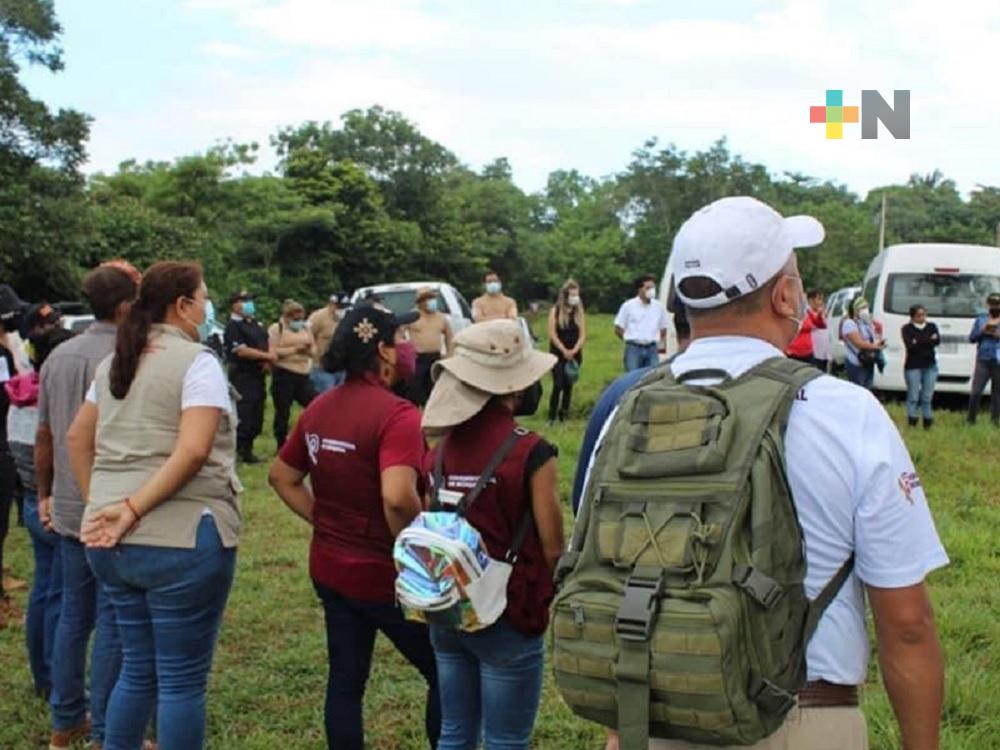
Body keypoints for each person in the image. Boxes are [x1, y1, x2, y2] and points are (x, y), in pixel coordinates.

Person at [575, 196, 947, 750]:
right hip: (802, 720)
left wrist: (617, 728)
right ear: (784, 295)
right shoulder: (845, 411)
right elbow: (908, 622)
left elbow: (606, 572)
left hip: (653, 717)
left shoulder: (627, 409)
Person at [68, 260, 241, 750]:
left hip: (110, 545)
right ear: (183, 305)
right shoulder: (196, 362)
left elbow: (77, 437)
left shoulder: (114, 363)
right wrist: (132, 507)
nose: (208, 307)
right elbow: (194, 449)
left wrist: (99, 503)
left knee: (138, 668)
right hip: (179, 540)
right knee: (182, 680)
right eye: (204, 298)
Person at [268, 304, 441, 750]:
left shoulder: (319, 408)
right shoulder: (398, 415)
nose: (407, 347)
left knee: (346, 680)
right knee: (445, 672)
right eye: (400, 339)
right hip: (384, 573)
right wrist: (416, 547)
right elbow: (397, 495)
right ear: (382, 351)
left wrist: (323, 520)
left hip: (330, 568)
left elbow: (282, 477)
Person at [420, 320, 565, 750]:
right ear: (514, 388)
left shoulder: (440, 447)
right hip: (510, 610)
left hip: (448, 606)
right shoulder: (530, 450)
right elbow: (553, 546)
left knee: (455, 732)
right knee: (505, 740)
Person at [36, 262, 138, 749]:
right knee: (115, 621)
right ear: (124, 307)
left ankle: (64, 720)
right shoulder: (129, 353)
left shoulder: (59, 355)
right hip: (112, 506)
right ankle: (104, 729)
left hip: (71, 504)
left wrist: (44, 493)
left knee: (74, 614)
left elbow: (45, 435)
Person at [6, 327, 73, 693]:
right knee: (62, 599)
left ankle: (43, 675)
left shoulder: (20, 396)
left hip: (32, 500)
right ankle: (58, 680)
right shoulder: (49, 403)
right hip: (54, 504)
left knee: (44, 591)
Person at [224, 290, 274, 463]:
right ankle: (239, 450)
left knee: (257, 413)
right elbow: (241, 350)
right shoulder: (233, 326)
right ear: (235, 305)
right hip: (242, 375)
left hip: (258, 375)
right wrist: (267, 357)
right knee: (244, 412)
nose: (249, 304)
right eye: (244, 301)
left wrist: (267, 360)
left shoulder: (254, 324)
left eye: (250, 300)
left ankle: (248, 450)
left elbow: (265, 342)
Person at [268, 299, 317, 449]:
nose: (299, 322)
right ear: (287, 317)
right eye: (296, 320)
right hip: (284, 373)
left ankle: (311, 433)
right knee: (283, 410)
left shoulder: (306, 329)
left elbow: (314, 351)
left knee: (314, 403)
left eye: (301, 319)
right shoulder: (277, 328)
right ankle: (281, 442)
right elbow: (273, 352)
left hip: (303, 373)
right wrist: (295, 350)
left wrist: (307, 350)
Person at [546, 280, 587, 423]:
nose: (575, 297)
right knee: (558, 384)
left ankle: (564, 414)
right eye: (572, 295)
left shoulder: (579, 312)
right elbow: (552, 333)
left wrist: (574, 350)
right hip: (558, 353)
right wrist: (563, 350)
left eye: (577, 294)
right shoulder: (555, 311)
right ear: (565, 296)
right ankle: (551, 416)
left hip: (574, 353)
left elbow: (582, 335)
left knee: (568, 385)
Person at [406, 287, 454, 407]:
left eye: (433, 298)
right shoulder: (412, 316)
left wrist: (449, 355)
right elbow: (399, 333)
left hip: (435, 358)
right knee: (417, 390)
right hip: (418, 359)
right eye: (428, 299)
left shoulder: (441, 317)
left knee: (435, 390)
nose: (432, 301)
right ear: (421, 302)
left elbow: (449, 336)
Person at [614, 275, 669, 372]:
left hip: (652, 348)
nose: (651, 290)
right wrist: (629, 338)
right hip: (634, 348)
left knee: (651, 377)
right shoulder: (628, 306)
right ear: (639, 289)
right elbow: (618, 328)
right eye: (648, 288)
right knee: (632, 378)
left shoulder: (658, 307)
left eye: (653, 287)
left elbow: (663, 328)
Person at [902, 305, 940, 429]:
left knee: (927, 396)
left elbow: (937, 341)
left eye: (924, 314)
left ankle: (927, 420)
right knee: (913, 395)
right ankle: (912, 420)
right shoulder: (907, 328)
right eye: (919, 315)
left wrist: (918, 340)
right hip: (913, 366)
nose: (922, 317)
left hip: (930, 365)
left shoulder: (932, 326)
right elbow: (910, 345)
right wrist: (927, 340)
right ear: (912, 316)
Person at [966, 291, 1000, 425]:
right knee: (976, 391)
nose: (995, 307)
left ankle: (995, 420)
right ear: (988, 304)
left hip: (998, 359)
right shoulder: (981, 319)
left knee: (997, 393)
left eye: (997, 304)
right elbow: (972, 338)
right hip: (983, 359)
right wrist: (983, 330)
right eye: (993, 304)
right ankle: (971, 419)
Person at [841, 296, 884, 390]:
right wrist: (874, 347)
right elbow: (858, 343)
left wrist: (878, 343)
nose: (866, 310)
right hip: (856, 362)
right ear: (856, 310)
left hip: (868, 361)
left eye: (866, 307)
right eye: (863, 308)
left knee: (867, 390)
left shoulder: (864, 322)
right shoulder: (849, 323)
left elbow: (872, 337)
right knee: (858, 390)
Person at [308, 293, 346, 393]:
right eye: (340, 307)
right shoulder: (318, 317)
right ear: (331, 304)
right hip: (322, 367)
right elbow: (307, 334)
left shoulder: (346, 318)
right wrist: (313, 350)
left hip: (341, 366)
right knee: (327, 396)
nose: (342, 310)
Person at [787, 288, 829, 370]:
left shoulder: (807, 312)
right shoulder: (791, 313)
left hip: (808, 352)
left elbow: (821, 325)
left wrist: (820, 315)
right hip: (794, 353)